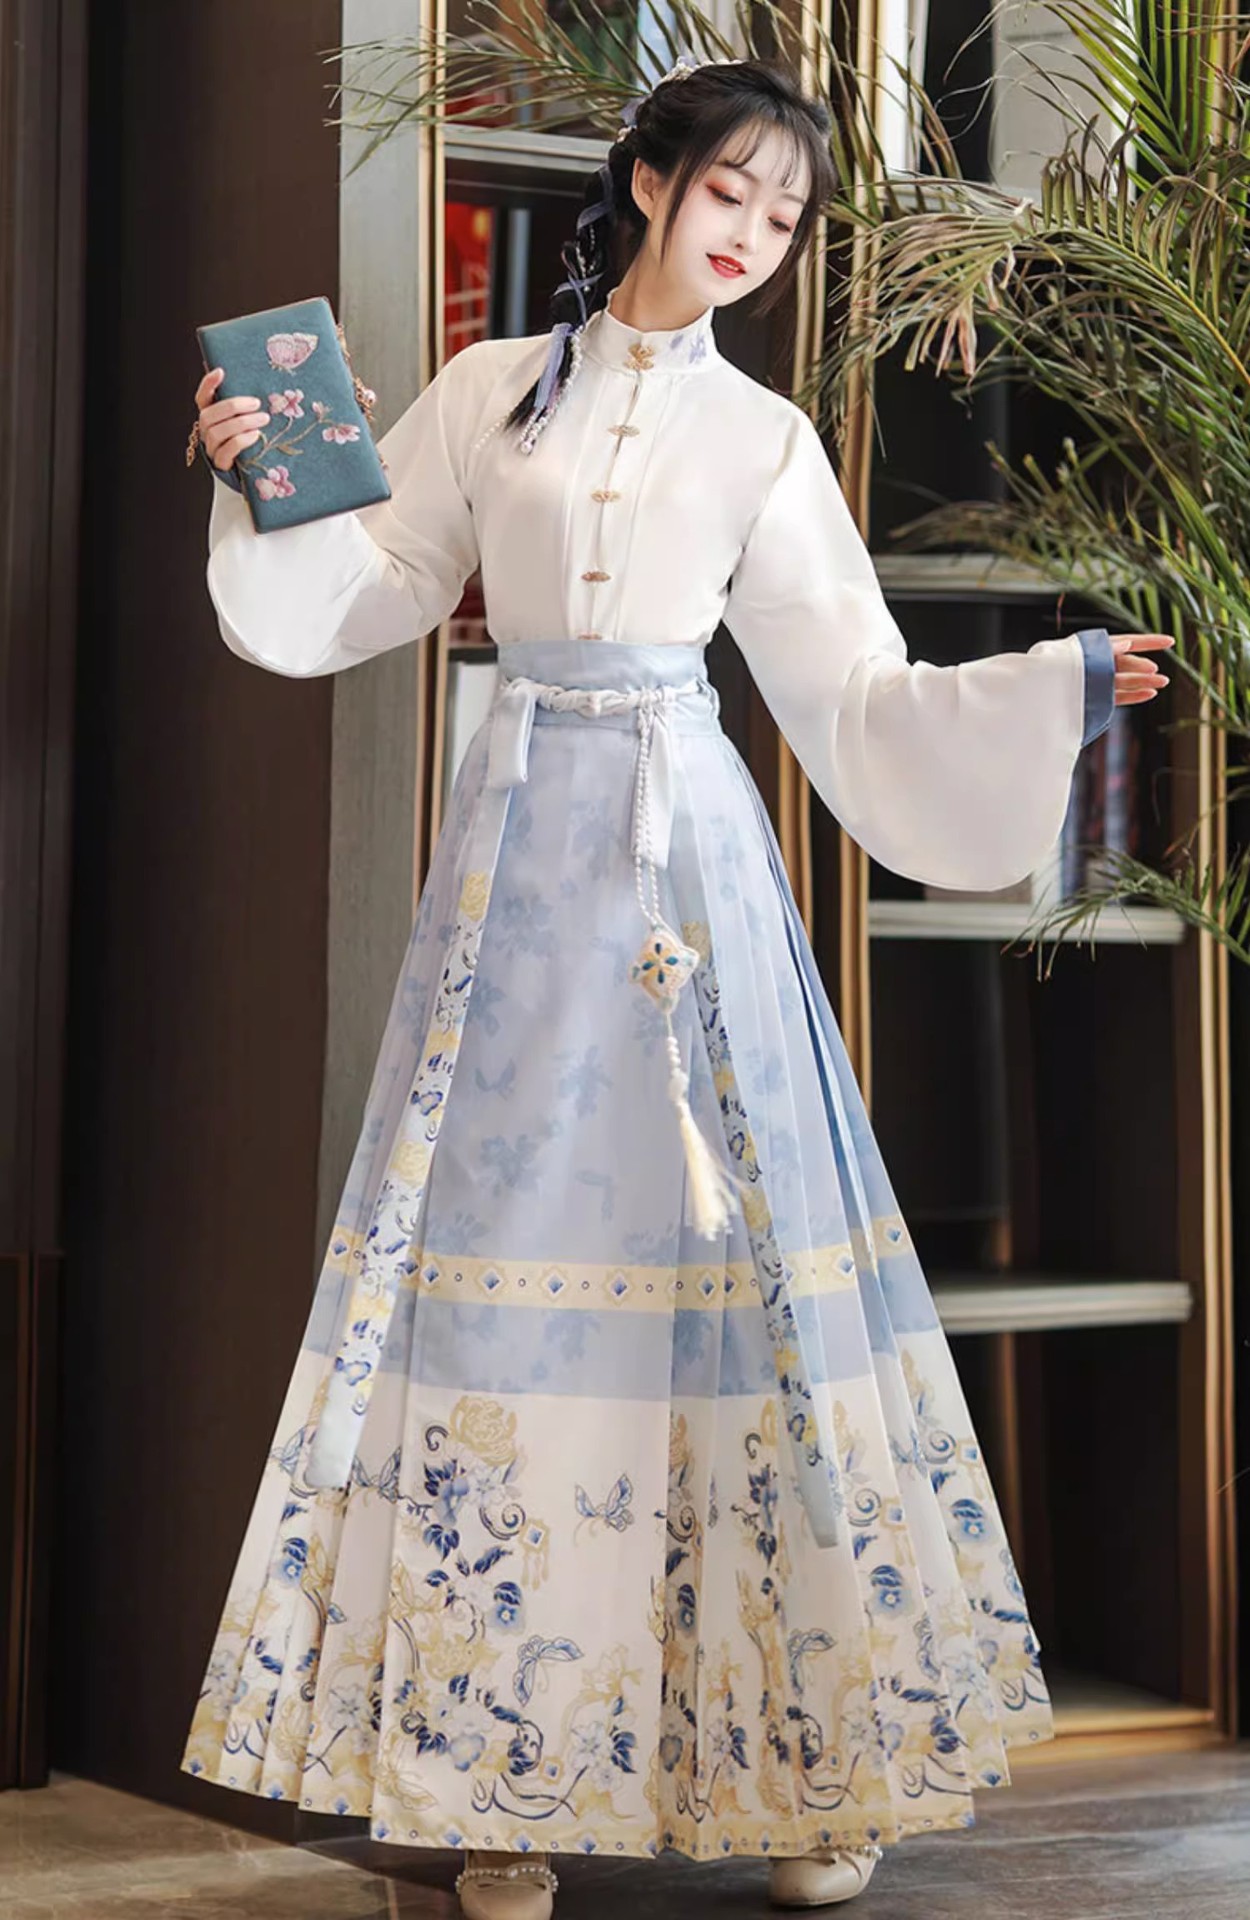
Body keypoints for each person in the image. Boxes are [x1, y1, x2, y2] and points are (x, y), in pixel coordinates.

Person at [180, 52, 1173, 1920]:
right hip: (513, 872)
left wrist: (1044, 685)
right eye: (731, 192)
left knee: (747, 1270)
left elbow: (852, 692)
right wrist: (261, 480)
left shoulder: (764, 441)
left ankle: (817, 1770)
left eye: (784, 218)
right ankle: (498, 1782)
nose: (754, 236)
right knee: (503, 1273)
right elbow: (378, 584)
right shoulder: (490, 390)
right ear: (646, 181)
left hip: (688, 868)